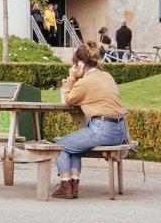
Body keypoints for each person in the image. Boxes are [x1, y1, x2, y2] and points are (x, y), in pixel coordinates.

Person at [51, 41, 127, 199]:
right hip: (120, 131)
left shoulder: (84, 82)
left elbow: (66, 100)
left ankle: (66, 185)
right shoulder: (106, 75)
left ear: (79, 64)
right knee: (74, 146)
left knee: (60, 146)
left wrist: (71, 79)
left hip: (102, 130)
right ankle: (73, 184)